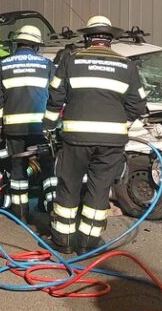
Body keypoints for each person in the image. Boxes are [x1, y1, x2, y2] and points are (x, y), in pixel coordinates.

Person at [42, 15, 148, 254]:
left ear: (87, 38)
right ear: (110, 40)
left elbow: (55, 97)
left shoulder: (71, 61)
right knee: (99, 189)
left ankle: (63, 241)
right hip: (111, 142)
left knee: (68, 186)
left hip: (76, 139)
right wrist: (122, 125)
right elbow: (138, 105)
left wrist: (48, 127)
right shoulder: (127, 66)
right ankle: (89, 242)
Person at [0, 25, 55, 223]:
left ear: (17, 43)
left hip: (14, 128)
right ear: (36, 46)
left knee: (18, 169)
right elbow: (56, 95)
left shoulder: (4, 65)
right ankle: (53, 209)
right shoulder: (46, 65)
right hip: (40, 128)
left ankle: (20, 213)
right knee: (48, 169)